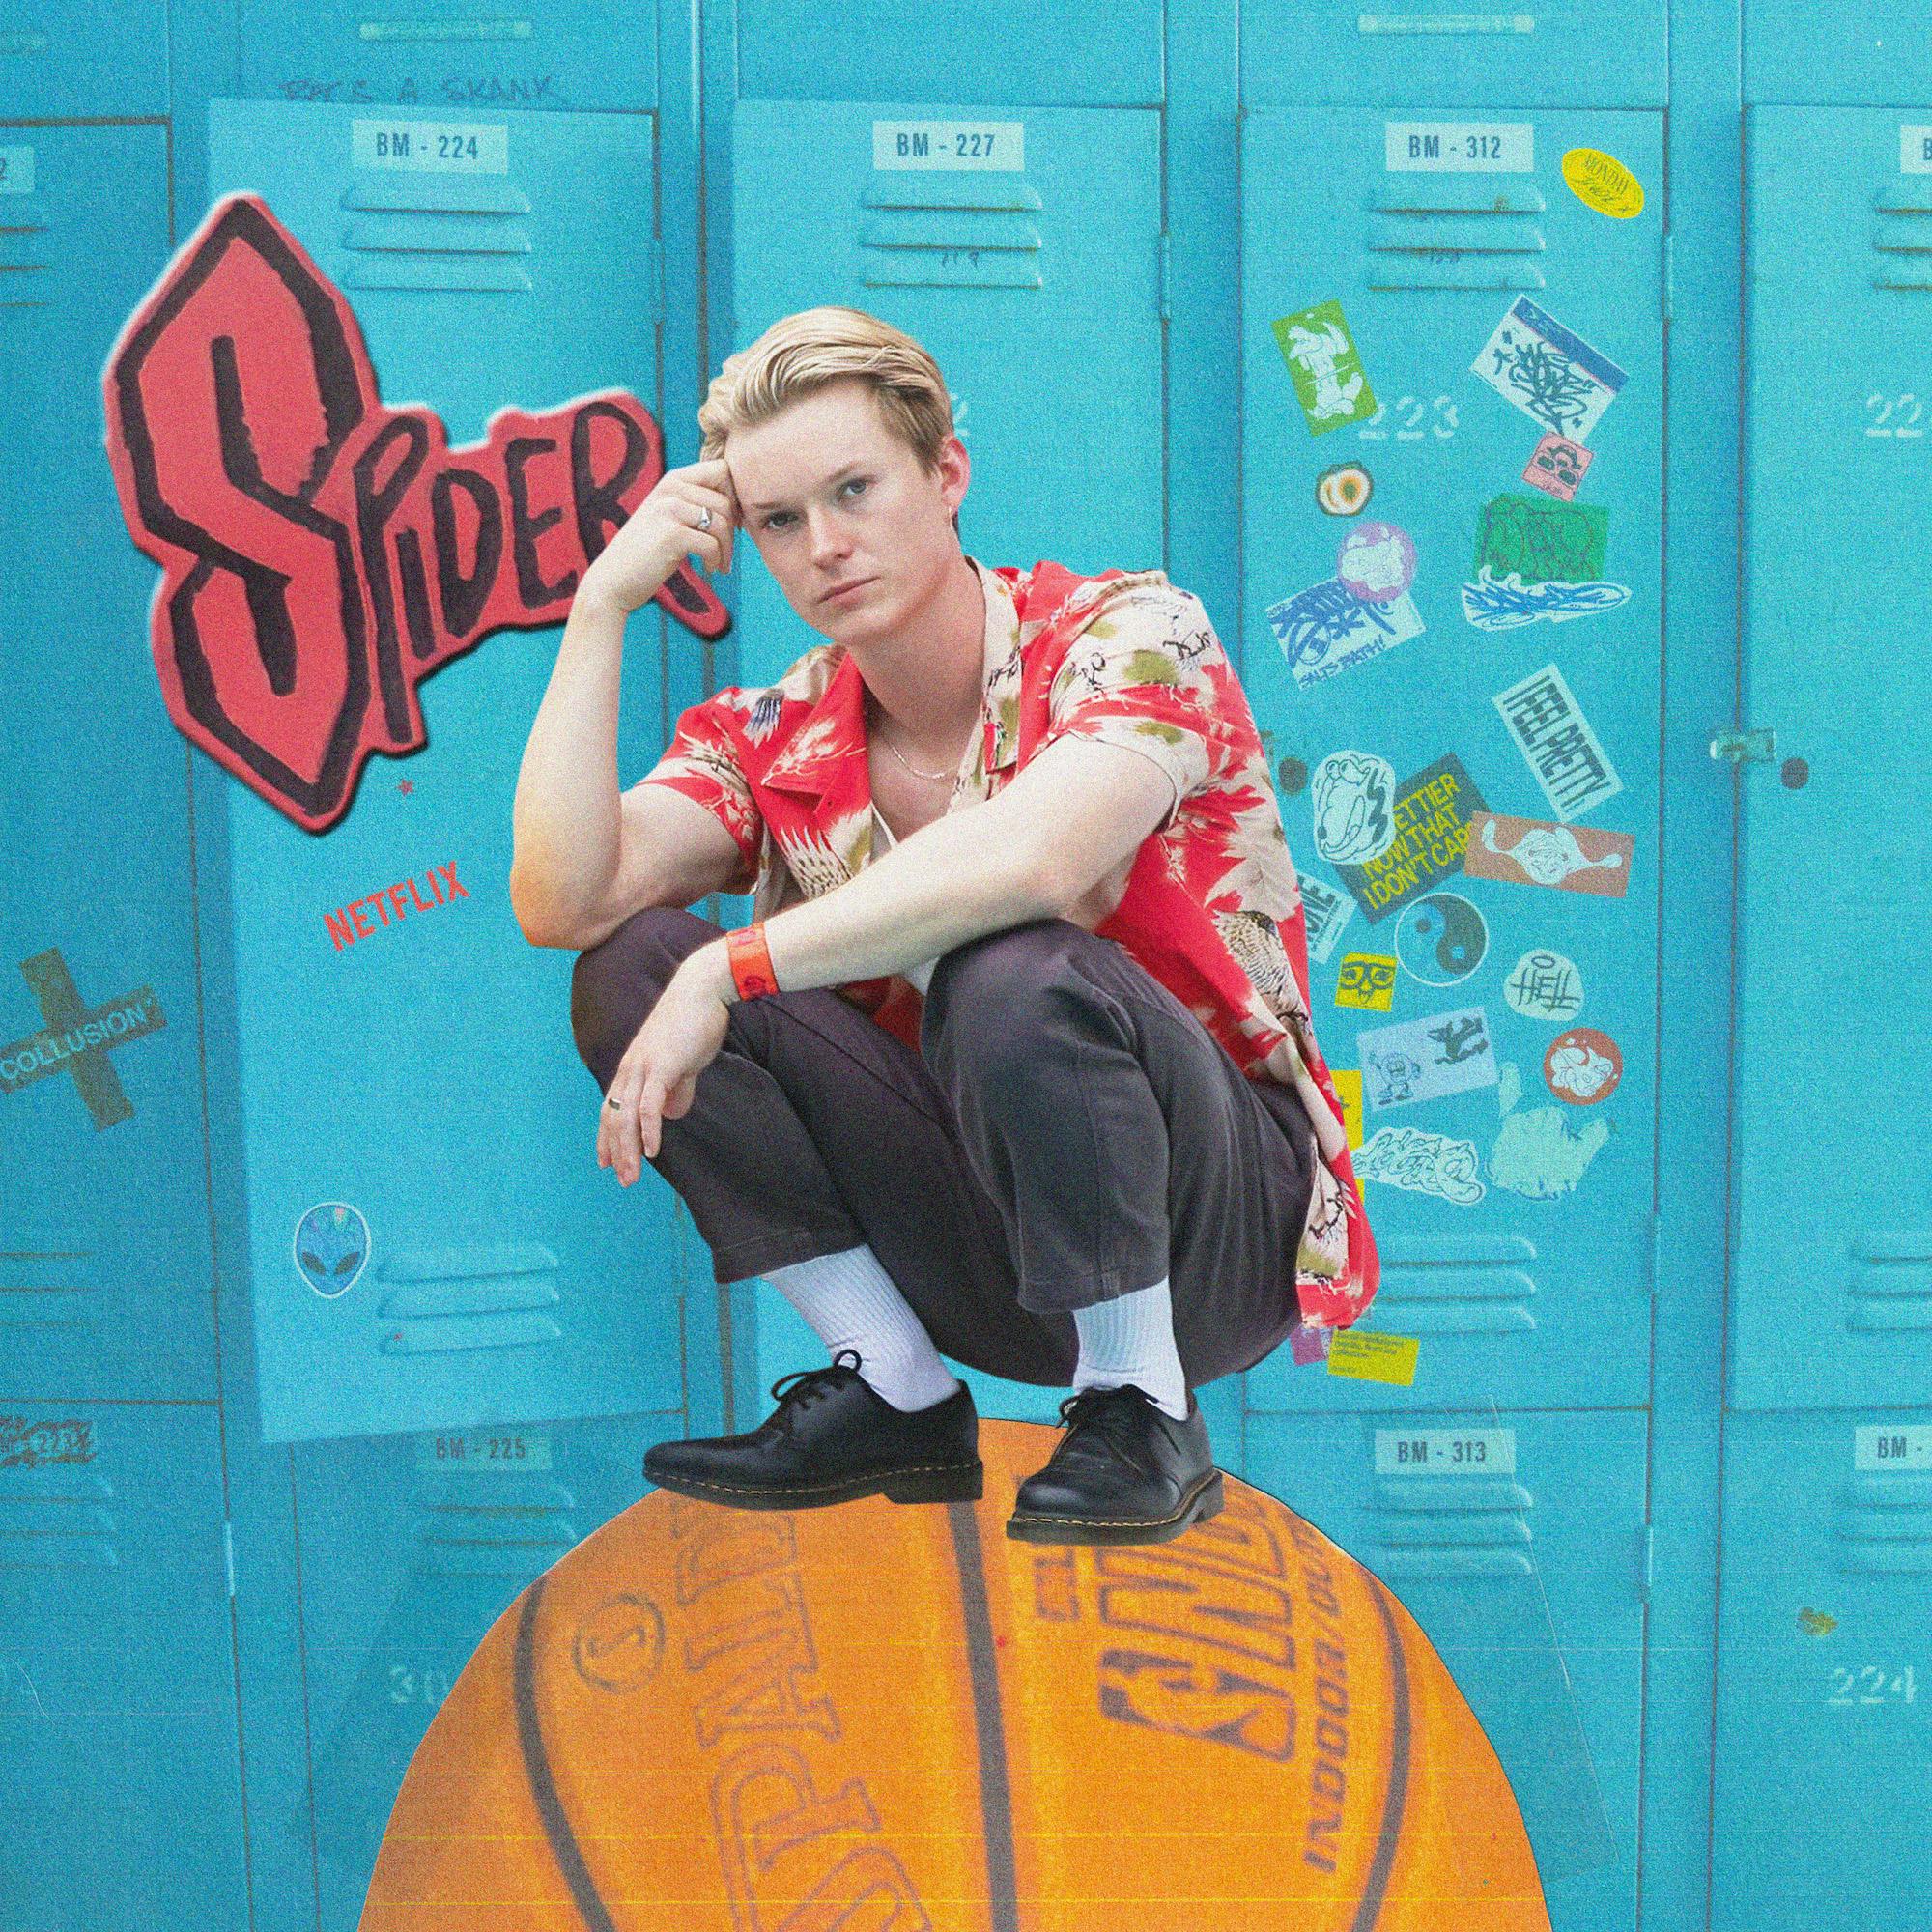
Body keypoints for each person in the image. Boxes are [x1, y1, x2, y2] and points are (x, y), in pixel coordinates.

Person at [509, 305, 1378, 1547]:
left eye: (853, 489)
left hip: (1208, 1238)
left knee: (1006, 965)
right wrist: (599, 606)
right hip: (985, 1243)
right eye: (778, 520)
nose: (824, 545)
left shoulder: (1129, 632)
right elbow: (562, 897)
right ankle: (893, 1384)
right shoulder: (770, 734)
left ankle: (1140, 1405)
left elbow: (1035, 857)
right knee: (629, 969)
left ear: (947, 470)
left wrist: (737, 963)